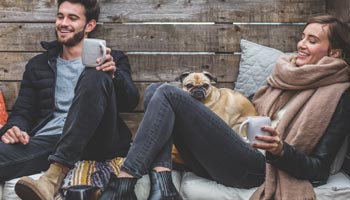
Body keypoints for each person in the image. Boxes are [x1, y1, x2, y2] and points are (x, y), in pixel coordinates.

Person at [98, 15, 350, 200]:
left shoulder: (338, 95)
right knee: (156, 91)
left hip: (260, 168)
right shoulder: (288, 75)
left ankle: (123, 184)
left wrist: (280, 150)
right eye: (302, 37)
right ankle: (163, 186)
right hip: (237, 150)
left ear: (335, 53)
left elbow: (319, 171)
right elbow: (250, 106)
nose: (301, 45)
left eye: (312, 40)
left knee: (166, 93)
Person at [0, 0, 139, 199]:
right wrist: (13, 129)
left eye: (72, 18)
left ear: (89, 25)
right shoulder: (38, 65)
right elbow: (23, 112)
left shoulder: (112, 59)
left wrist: (114, 75)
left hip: (96, 139)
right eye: (60, 16)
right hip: (49, 142)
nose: (63, 23)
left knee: (97, 73)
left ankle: (56, 173)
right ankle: (59, 163)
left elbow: (130, 101)